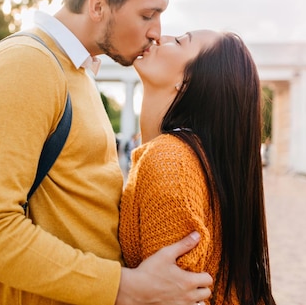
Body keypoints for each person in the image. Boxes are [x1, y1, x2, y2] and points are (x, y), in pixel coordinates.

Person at [0, 0, 213, 305]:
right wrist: (126, 288)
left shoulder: (75, 71)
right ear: (97, 6)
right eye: (147, 15)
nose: (157, 32)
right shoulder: (24, 65)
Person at [119, 30, 277, 304]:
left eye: (180, 41)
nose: (161, 36)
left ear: (188, 81)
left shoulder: (170, 162)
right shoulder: (186, 156)